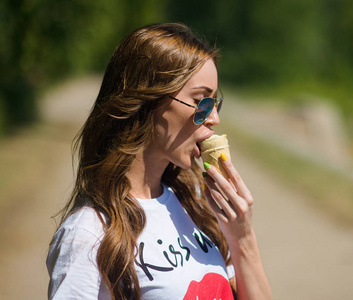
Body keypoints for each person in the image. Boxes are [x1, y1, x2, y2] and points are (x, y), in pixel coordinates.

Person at [46, 23, 272, 300]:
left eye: (215, 103)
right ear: (148, 99)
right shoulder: (89, 233)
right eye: (201, 101)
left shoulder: (196, 202)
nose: (214, 118)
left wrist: (243, 240)